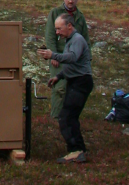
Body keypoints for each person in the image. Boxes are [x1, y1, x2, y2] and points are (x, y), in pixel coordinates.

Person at [38, 14, 93, 163]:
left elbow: (72, 58)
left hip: (81, 82)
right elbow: (72, 65)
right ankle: (79, 150)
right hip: (76, 81)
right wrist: (59, 76)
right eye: (55, 29)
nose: (57, 32)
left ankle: (75, 150)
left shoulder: (77, 40)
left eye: (59, 28)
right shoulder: (70, 40)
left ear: (69, 26)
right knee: (70, 117)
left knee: (66, 117)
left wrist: (53, 55)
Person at [45, 0, 90, 119]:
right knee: (59, 88)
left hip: (75, 58)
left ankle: (67, 117)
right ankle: (56, 116)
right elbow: (50, 36)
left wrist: (88, 59)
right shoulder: (55, 13)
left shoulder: (80, 17)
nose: (70, 1)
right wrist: (53, 55)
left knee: (72, 89)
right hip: (58, 57)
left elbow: (86, 39)